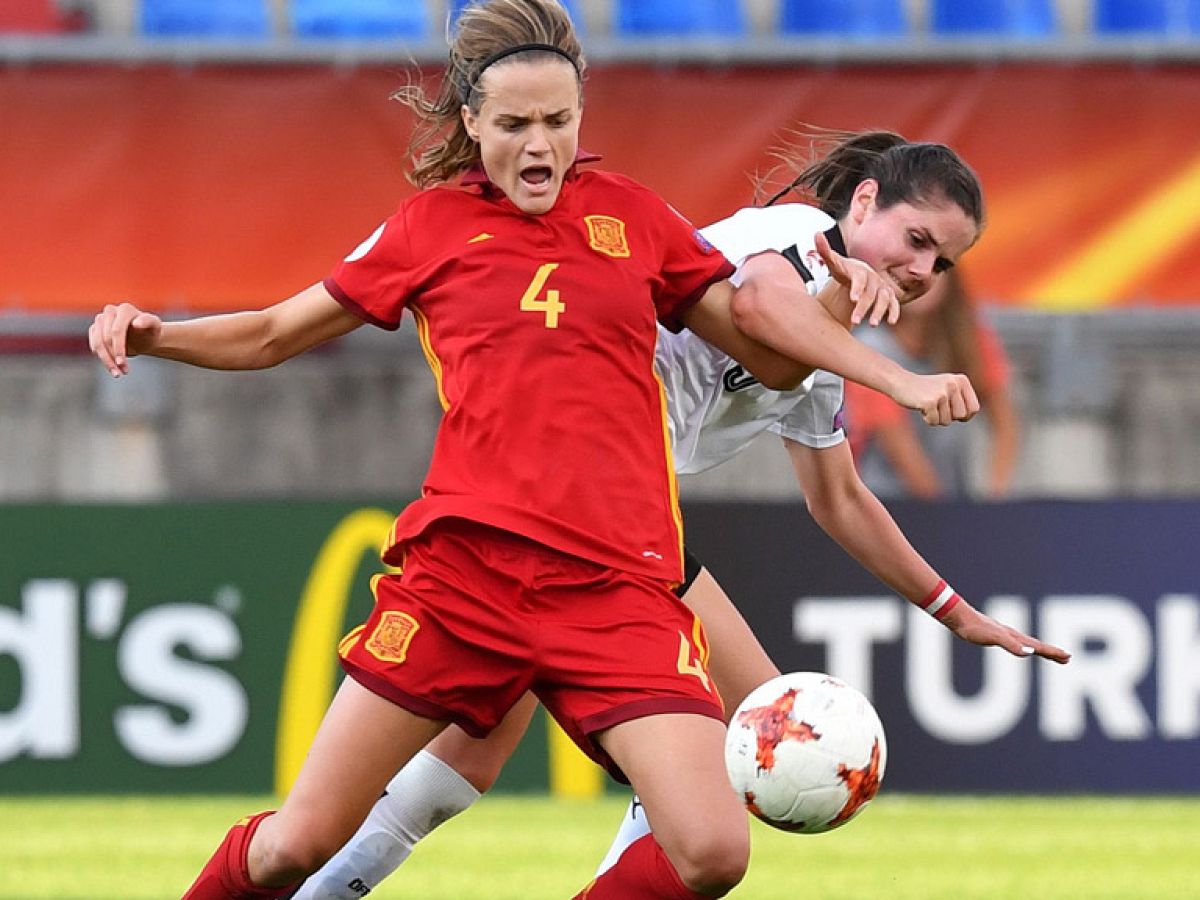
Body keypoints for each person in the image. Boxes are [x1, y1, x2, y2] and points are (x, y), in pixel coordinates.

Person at [88, 4, 953, 898]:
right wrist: (157, 336)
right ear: (469, 121)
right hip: (467, 577)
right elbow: (271, 332)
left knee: (712, 851)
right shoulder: (427, 228)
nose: (540, 145)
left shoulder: (634, 219)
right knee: (291, 848)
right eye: (513, 125)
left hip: (619, 584)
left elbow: (767, 353)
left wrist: (842, 295)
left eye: (559, 121)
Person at [291, 130, 1071, 900]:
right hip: (575, 508)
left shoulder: (824, 359)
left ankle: (310, 889)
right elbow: (765, 307)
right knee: (759, 735)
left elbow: (838, 499)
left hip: (596, 520)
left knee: (476, 756)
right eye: (917, 239)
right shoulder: (792, 238)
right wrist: (900, 382)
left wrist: (954, 612)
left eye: (943, 261)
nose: (923, 270)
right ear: (863, 201)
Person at [846, 267, 1022, 499]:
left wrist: (994, 498)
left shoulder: (969, 337)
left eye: (938, 263)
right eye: (916, 244)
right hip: (884, 505)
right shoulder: (869, 347)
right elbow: (901, 453)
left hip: (951, 501)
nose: (922, 272)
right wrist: (949, 517)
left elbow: (1006, 425)